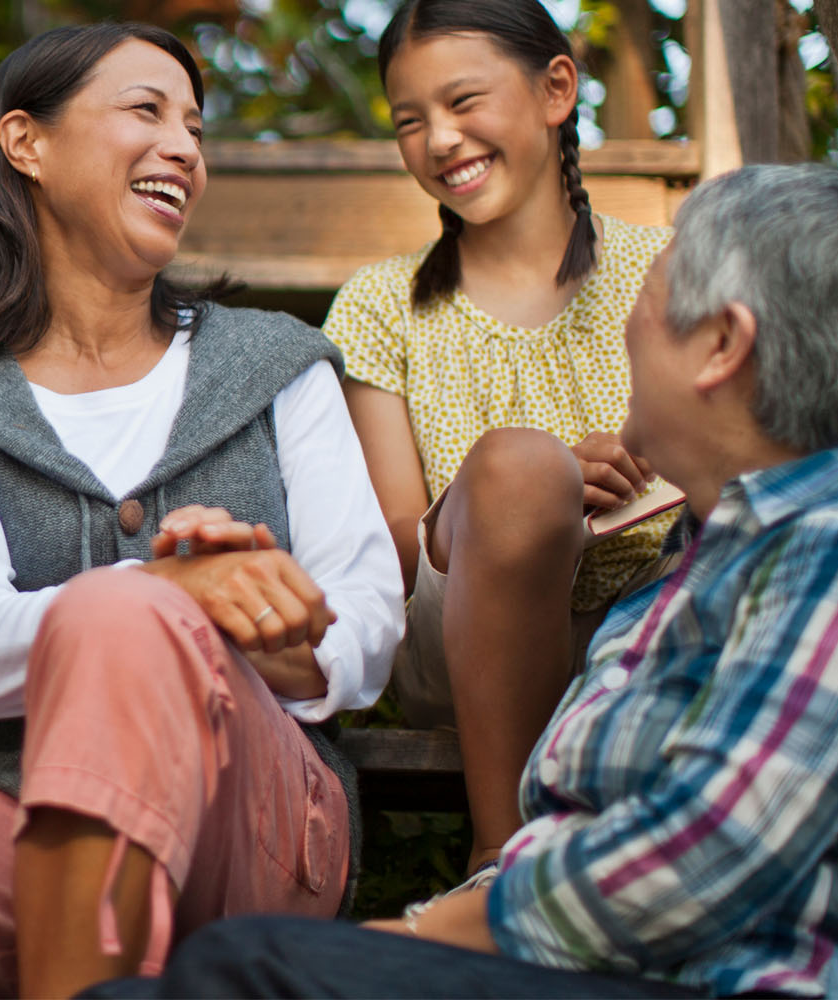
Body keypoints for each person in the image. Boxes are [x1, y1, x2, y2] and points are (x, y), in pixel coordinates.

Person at [85, 162, 838, 999]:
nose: (628, 324)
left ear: (722, 346)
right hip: (600, 952)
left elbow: (711, 851)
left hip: (714, 978)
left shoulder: (823, 547)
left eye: (653, 299)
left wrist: (431, 931)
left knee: (243, 967)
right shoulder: (704, 559)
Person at [0, 22, 404, 1000]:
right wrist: (169, 590)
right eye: (146, 111)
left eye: (194, 127)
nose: (185, 147)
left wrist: (271, 631)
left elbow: (364, 620)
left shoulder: (278, 365)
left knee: (127, 616)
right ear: (27, 143)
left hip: (254, 796)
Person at [323, 0, 679, 877]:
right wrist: (525, 490)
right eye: (411, 122)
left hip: (657, 612)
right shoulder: (380, 306)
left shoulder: (673, 266)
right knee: (521, 468)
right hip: (462, 642)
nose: (440, 139)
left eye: (463, 102)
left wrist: (633, 478)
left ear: (557, 88)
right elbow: (395, 553)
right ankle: (503, 858)